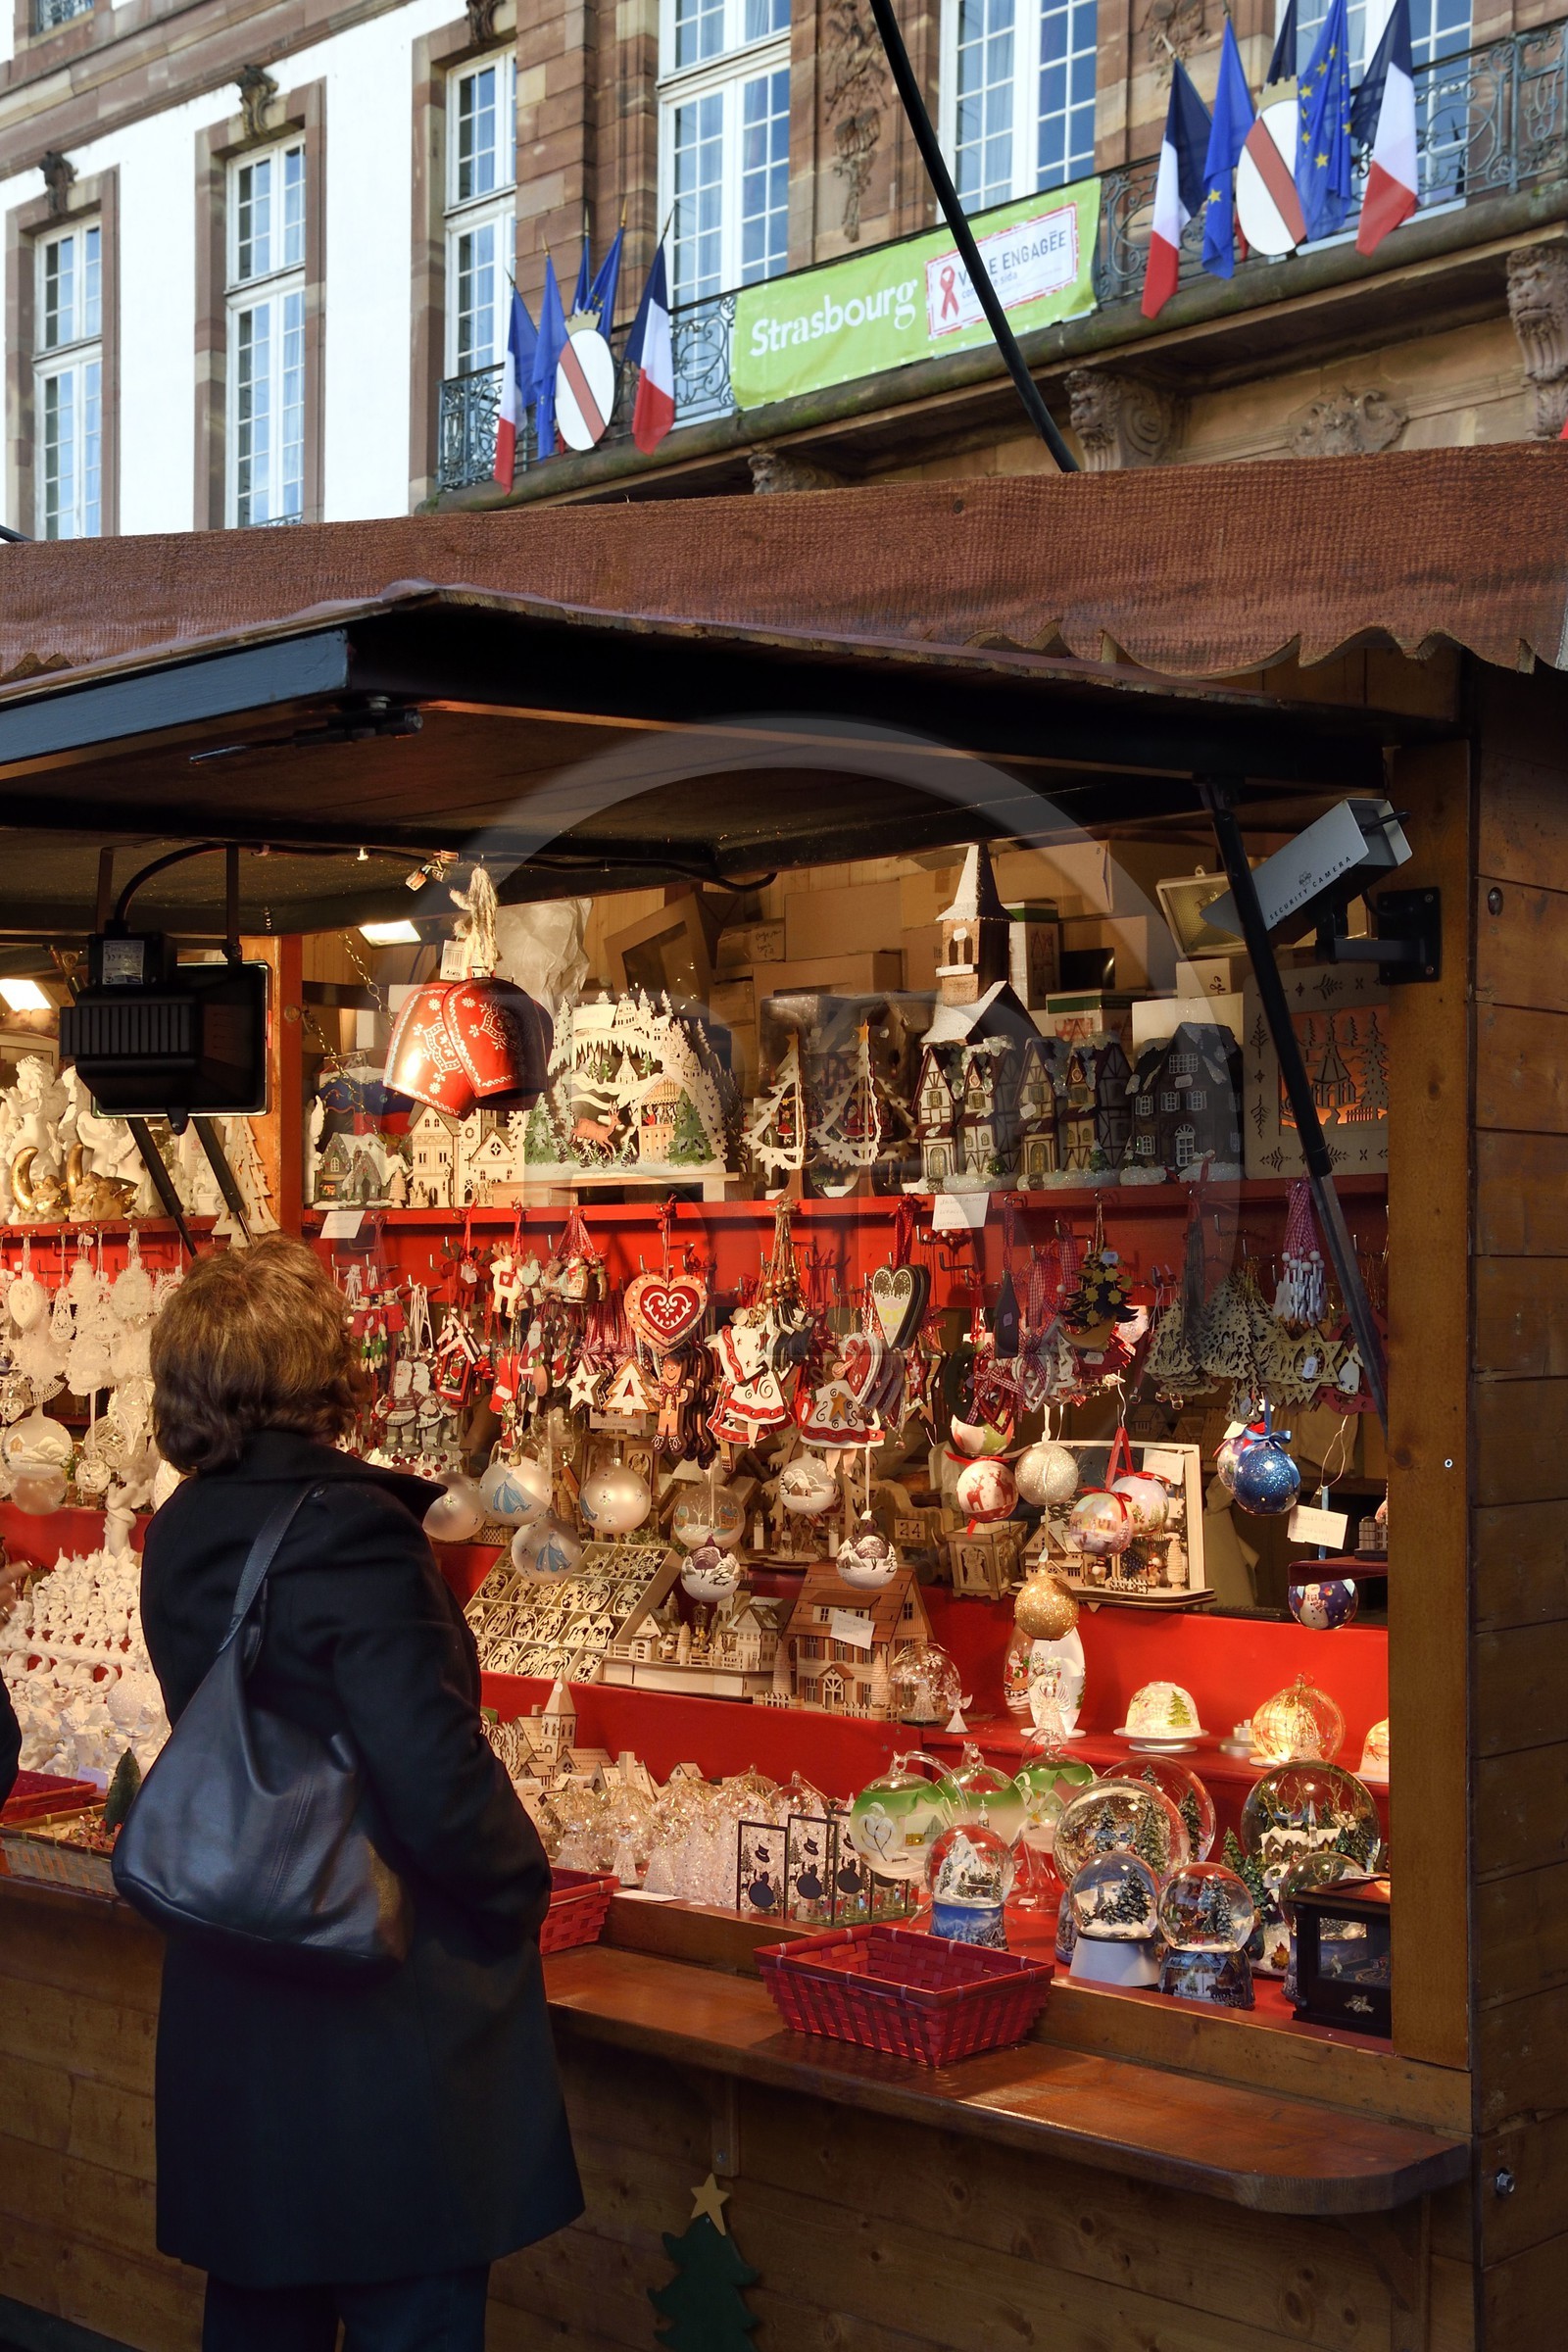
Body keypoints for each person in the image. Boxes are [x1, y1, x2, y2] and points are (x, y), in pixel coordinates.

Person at [140, 1235, 581, 2352]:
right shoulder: (351, 1536)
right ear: (324, 1373)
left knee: (257, 2310)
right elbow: (431, 1779)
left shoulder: (186, 1526)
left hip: (235, 1985)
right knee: (409, 2311)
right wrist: (516, 1891)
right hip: (377, 2020)